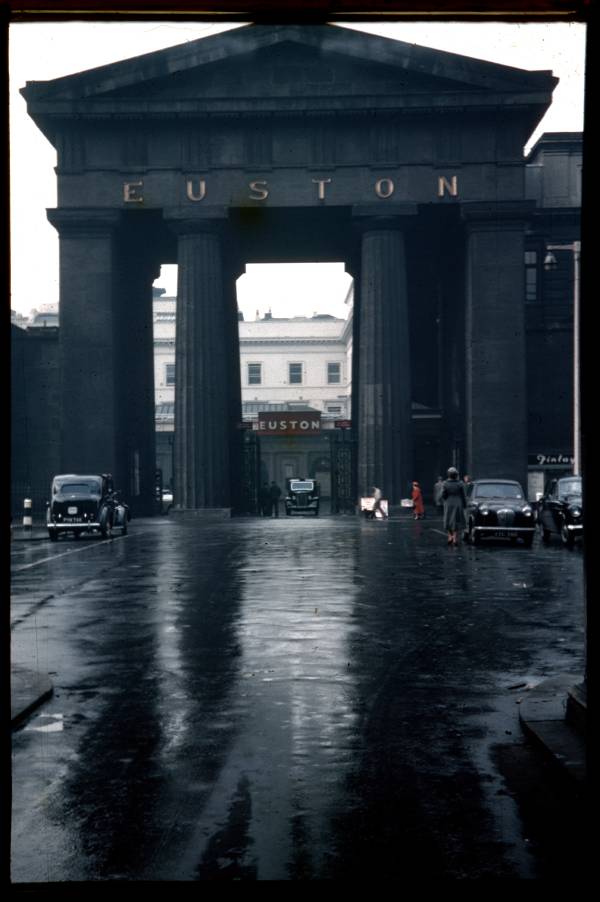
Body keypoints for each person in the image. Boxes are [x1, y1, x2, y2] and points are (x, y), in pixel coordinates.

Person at [442, 466, 467, 546]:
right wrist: (464, 504)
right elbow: (463, 495)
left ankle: (450, 536)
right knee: (456, 520)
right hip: (458, 503)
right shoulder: (460, 483)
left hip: (448, 503)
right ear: (456, 475)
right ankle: (455, 538)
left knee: (448, 519)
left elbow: (443, 494)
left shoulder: (445, 483)